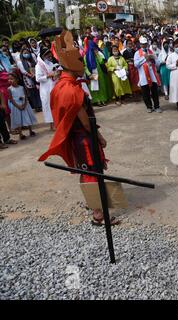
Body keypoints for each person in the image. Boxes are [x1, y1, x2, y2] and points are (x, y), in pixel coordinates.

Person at [39, 30, 119, 226]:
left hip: (76, 137)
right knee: (92, 172)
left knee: (86, 171)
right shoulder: (71, 90)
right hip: (83, 137)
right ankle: (98, 214)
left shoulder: (61, 85)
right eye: (79, 61)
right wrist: (99, 137)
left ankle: (92, 204)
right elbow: (85, 121)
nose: (82, 64)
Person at [134, 36, 162, 113]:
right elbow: (136, 64)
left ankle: (157, 106)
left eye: (145, 44)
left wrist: (153, 59)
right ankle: (149, 106)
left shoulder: (151, 52)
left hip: (152, 75)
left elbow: (158, 63)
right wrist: (144, 58)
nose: (144, 45)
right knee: (145, 93)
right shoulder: (137, 53)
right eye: (142, 44)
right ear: (140, 44)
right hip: (143, 76)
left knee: (155, 92)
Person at [7, 72, 37, 140]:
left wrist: (25, 104)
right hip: (16, 106)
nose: (10, 80)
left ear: (17, 79)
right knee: (18, 119)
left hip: (24, 104)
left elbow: (25, 96)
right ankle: (21, 134)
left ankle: (30, 130)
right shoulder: (9, 89)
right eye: (8, 79)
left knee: (27, 117)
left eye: (11, 79)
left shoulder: (21, 87)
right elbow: (11, 99)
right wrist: (18, 106)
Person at [35, 47, 59, 130]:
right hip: (46, 89)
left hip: (53, 85)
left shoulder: (49, 63)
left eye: (50, 54)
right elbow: (37, 79)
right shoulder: (38, 65)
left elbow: (53, 72)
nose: (49, 56)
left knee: (55, 104)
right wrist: (48, 76)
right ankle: (52, 125)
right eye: (47, 54)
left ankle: (57, 122)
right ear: (43, 55)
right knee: (48, 105)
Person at [84, 40, 112, 107]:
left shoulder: (98, 55)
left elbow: (102, 62)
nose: (95, 50)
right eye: (94, 49)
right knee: (95, 87)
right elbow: (85, 66)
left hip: (100, 73)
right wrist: (89, 74)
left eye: (96, 49)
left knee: (101, 86)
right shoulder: (86, 56)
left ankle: (103, 99)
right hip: (92, 74)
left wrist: (98, 55)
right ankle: (97, 101)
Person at [17, 47, 42, 112]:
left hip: (35, 76)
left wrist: (35, 75)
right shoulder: (20, 62)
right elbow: (23, 71)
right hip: (28, 78)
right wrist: (31, 75)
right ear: (22, 54)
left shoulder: (32, 60)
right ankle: (36, 106)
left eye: (27, 53)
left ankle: (40, 105)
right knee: (32, 93)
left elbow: (35, 67)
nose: (26, 54)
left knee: (37, 91)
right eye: (24, 53)